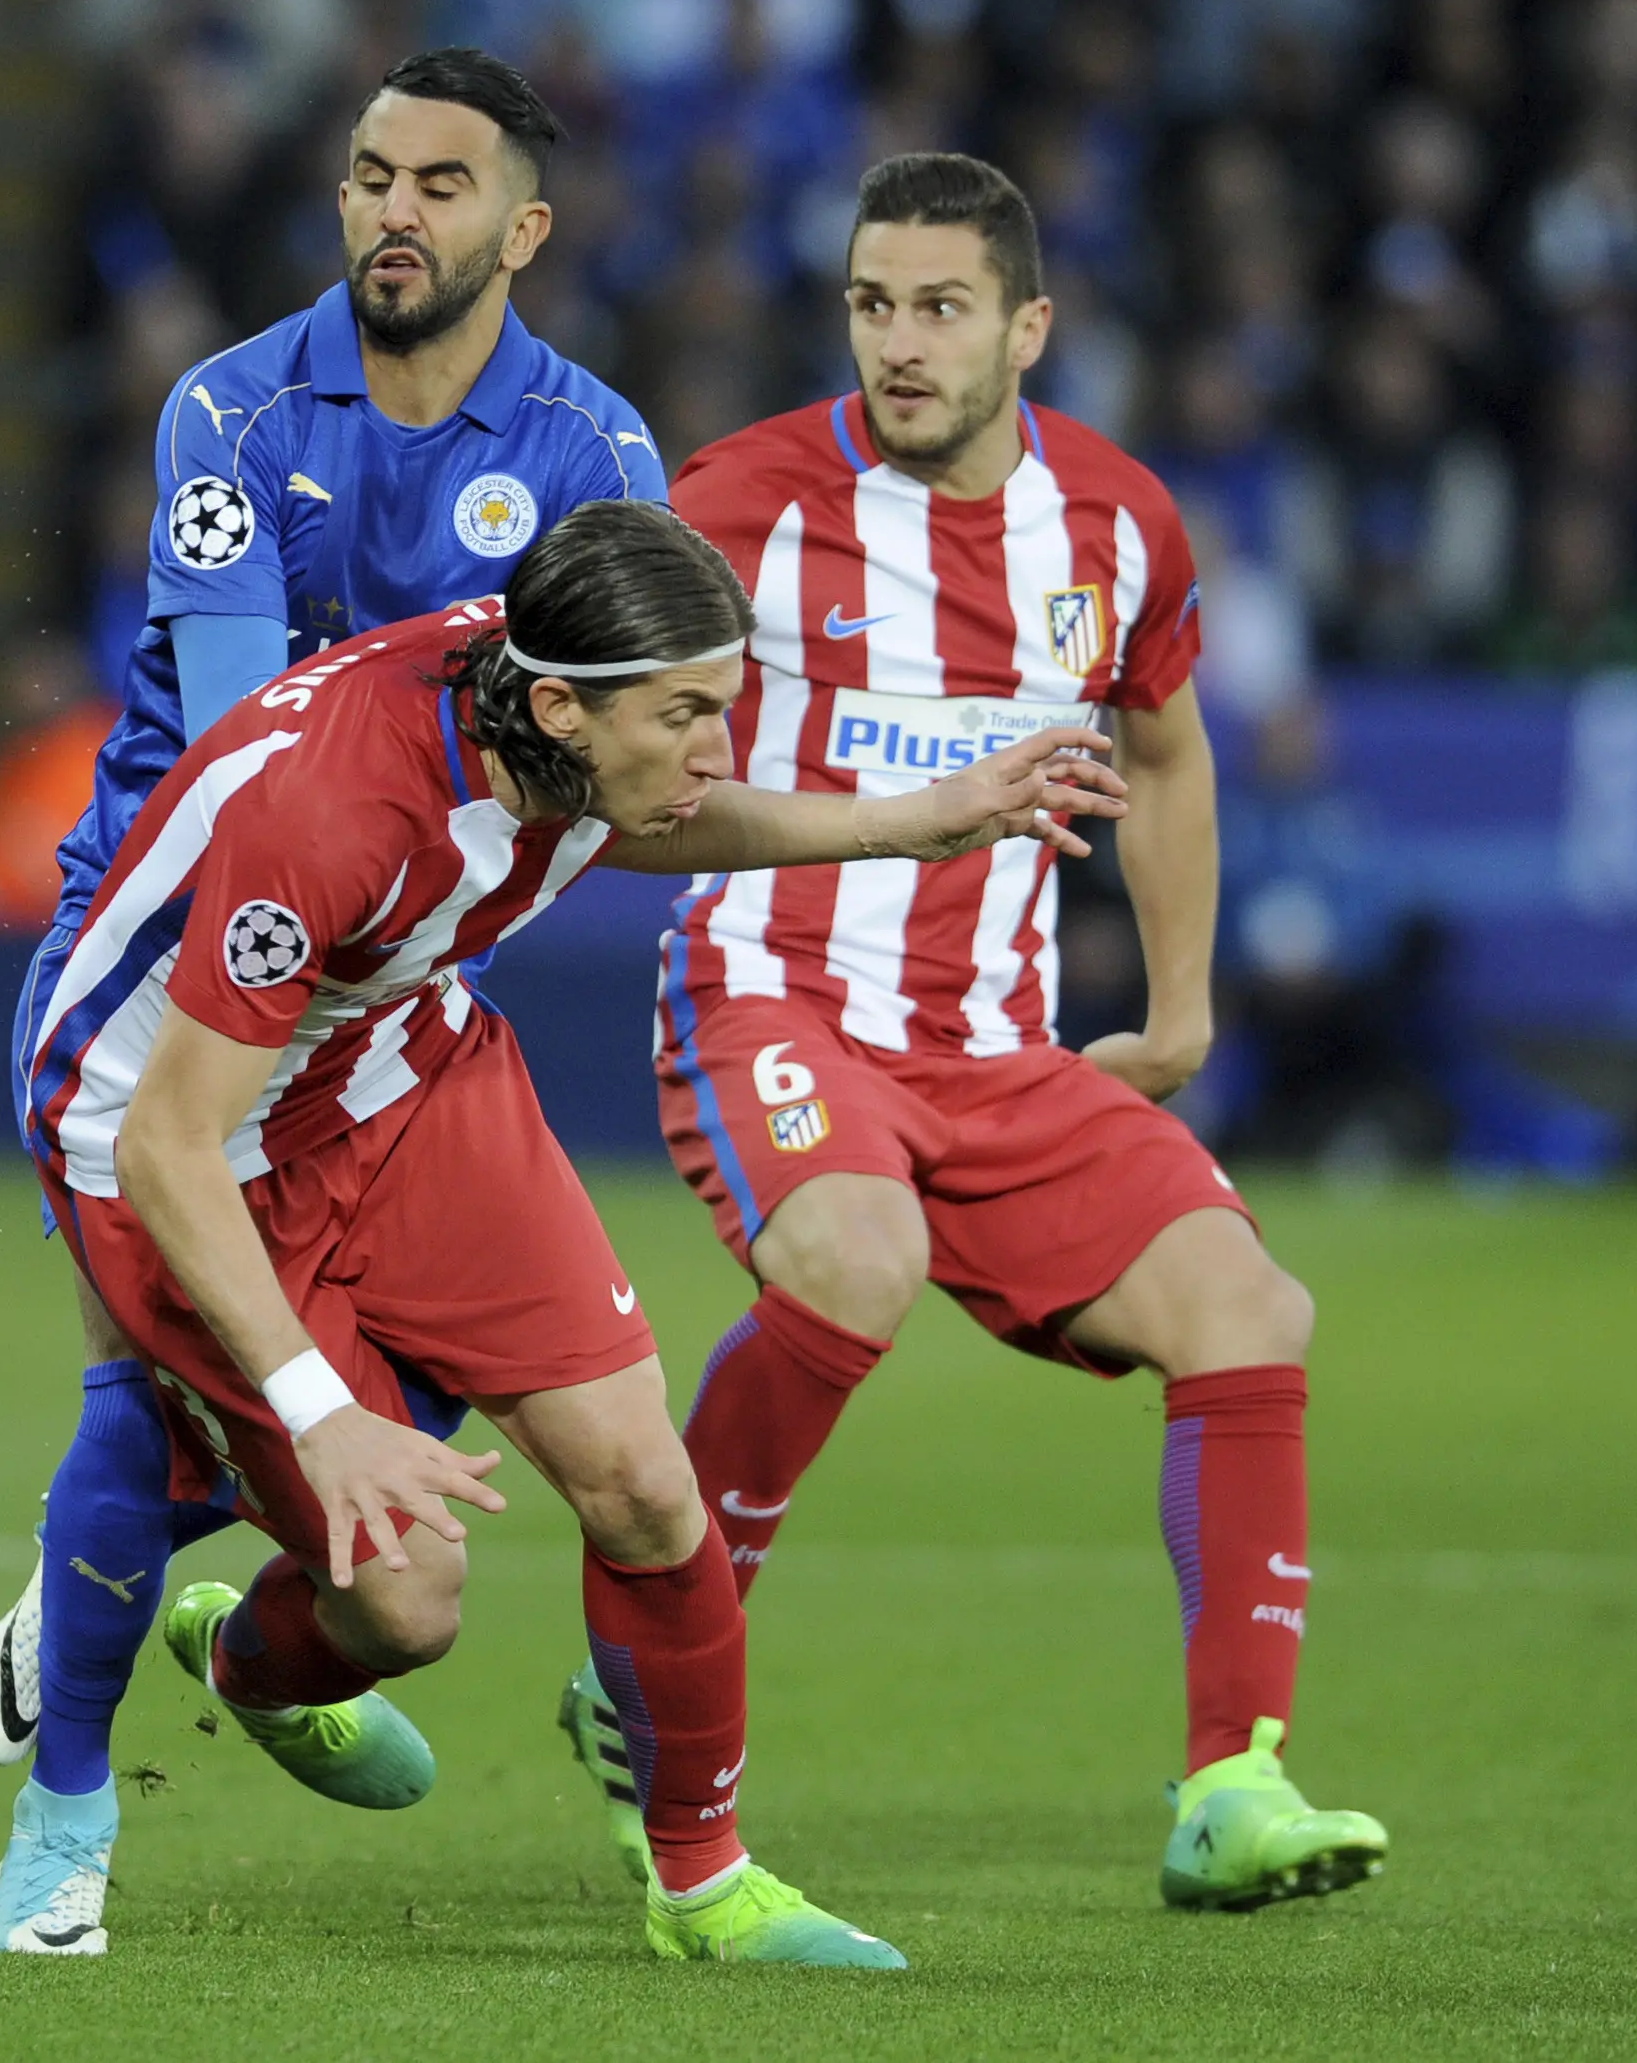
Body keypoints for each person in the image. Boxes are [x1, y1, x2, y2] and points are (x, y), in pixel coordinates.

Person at [12, 499, 1126, 1963]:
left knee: (648, 1492)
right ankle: (140, 1746)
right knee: (408, 1602)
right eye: (689, 713)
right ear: (556, 706)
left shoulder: (552, 721)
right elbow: (165, 1138)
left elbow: (659, 811)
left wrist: (917, 816)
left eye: (723, 705)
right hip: (171, 1140)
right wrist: (315, 1410)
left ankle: (704, 1884)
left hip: (396, 1067)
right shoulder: (334, 811)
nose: (716, 749)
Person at [559, 153, 1387, 1914]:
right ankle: (654, 1650)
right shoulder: (743, 503)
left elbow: (1163, 750)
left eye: (938, 307)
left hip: (995, 1042)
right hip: (771, 987)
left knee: (1250, 1307)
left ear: (1029, 325)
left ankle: (1235, 1780)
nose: (897, 343)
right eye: (870, 302)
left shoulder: (1117, 524)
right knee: (858, 1250)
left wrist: (1175, 1012)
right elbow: (604, 768)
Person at [0, 48, 672, 1955]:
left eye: (441, 185)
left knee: (416, 1410)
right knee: (156, 1383)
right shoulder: (231, 406)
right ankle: (65, 1814)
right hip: (183, 955)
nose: (391, 211)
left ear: (521, 228)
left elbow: (615, 738)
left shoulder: (598, 457)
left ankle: (197, 1581)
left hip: (396, 984)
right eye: (370, 175)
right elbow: (245, 750)